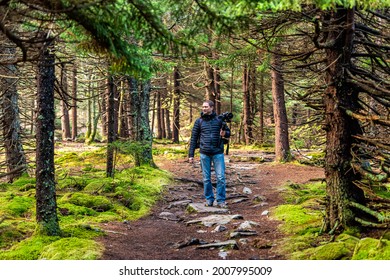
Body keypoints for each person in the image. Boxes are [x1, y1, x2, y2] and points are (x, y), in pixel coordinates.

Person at [188, 100, 230, 208]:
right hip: (204, 153)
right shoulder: (199, 122)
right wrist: (191, 155)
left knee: (220, 177)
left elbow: (228, 133)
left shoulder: (219, 120)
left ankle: (220, 200)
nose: (204, 108)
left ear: (211, 108)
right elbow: (193, 138)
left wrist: (224, 133)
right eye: (203, 107)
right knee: (206, 178)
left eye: (206, 107)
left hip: (218, 153)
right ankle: (209, 199)